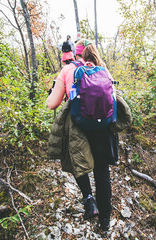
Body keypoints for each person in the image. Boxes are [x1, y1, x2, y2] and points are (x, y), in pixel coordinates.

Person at [47, 39, 118, 232]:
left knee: (79, 164)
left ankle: (89, 200)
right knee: (102, 173)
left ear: (75, 54)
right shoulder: (103, 70)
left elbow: (52, 104)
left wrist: (53, 92)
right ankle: (105, 222)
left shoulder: (68, 70)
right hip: (103, 130)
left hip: (79, 129)